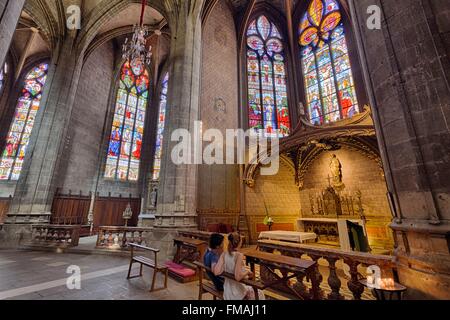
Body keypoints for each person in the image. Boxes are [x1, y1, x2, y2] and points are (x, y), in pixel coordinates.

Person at [213, 232, 264, 300]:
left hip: (227, 291)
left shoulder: (224, 254)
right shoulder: (239, 255)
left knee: (250, 288)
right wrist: (247, 272)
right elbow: (237, 277)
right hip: (237, 293)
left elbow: (216, 272)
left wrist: (226, 269)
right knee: (260, 292)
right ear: (239, 243)